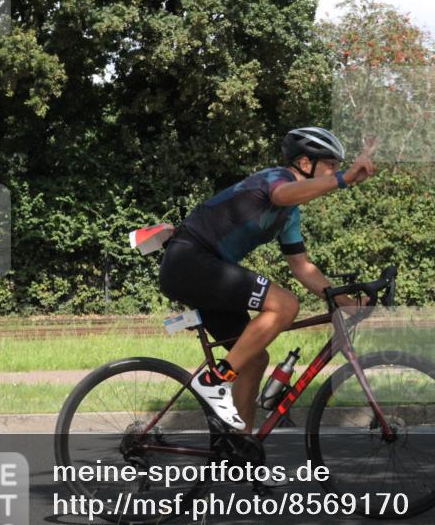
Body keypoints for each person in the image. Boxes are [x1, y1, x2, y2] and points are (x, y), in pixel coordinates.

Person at [159, 127, 377, 431]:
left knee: (253, 360)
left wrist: (348, 302)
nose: (334, 172)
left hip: (205, 270)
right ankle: (214, 381)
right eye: (330, 165)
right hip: (190, 260)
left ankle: (240, 446)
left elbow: (302, 267)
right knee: (285, 305)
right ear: (304, 163)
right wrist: (344, 180)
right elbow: (281, 194)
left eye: (337, 168)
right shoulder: (276, 179)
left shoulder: (290, 215)